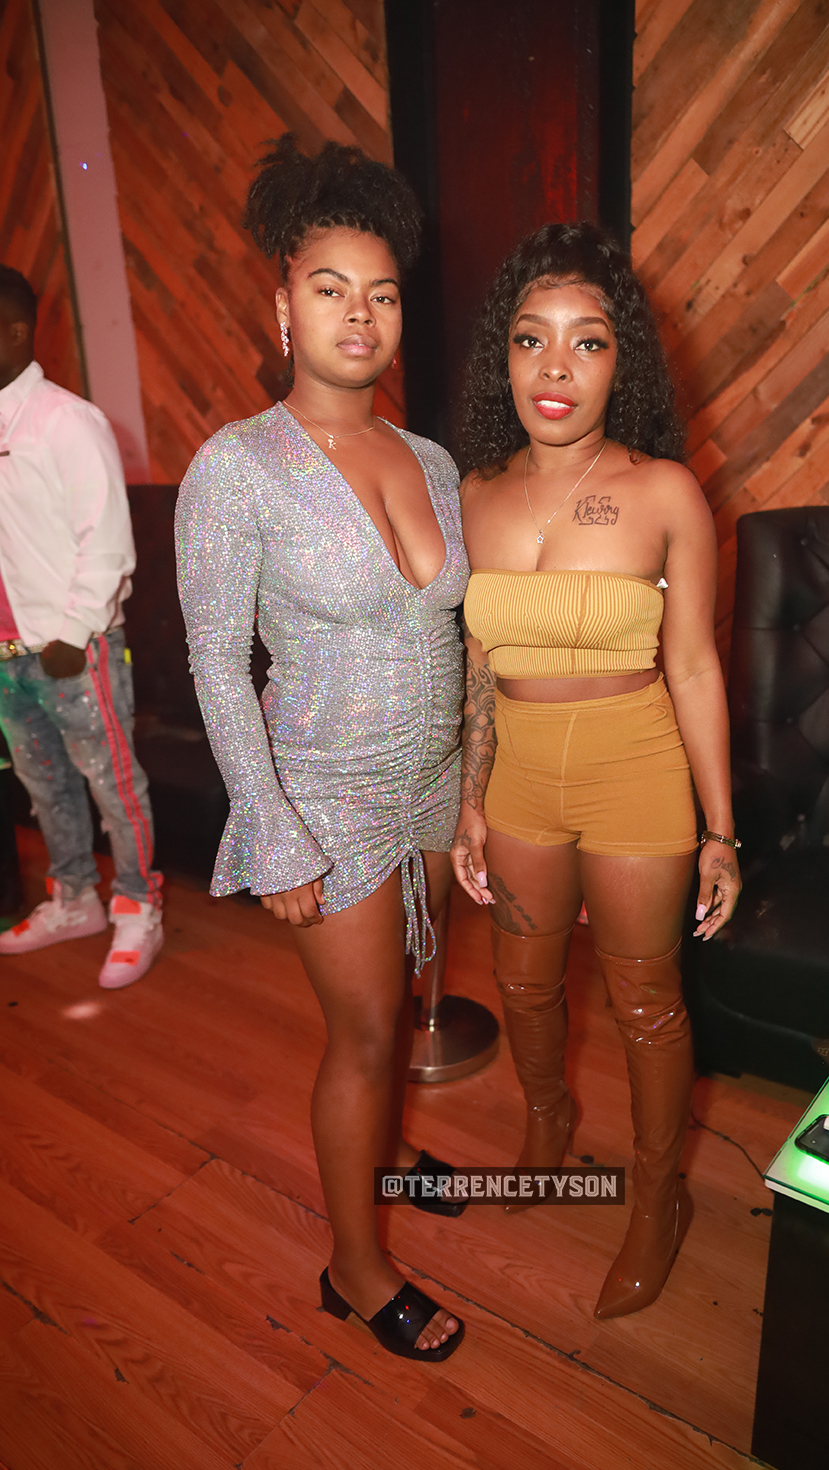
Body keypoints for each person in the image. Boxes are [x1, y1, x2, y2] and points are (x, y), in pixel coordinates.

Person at [175, 138, 466, 1361]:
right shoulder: (237, 466)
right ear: (282, 306)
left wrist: (473, 790)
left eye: (382, 292)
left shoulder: (433, 459)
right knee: (362, 1036)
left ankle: (384, 1157)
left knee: (407, 1000)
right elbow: (214, 662)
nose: (360, 313)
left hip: (432, 786)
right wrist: (274, 829)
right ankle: (355, 1265)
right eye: (332, 287)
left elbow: (460, 638)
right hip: (326, 796)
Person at [451, 223, 741, 1319]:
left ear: (625, 364)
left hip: (636, 772)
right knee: (522, 984)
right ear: (504, 355)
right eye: (532, 339)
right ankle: (548, 1122)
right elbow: (476, 666)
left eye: (589, 342)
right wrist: (470, 803)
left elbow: (696, 666)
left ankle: (658, 1198)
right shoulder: (473, 492)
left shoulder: (664, 491)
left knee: (645, 1005)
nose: (557, 368)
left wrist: (720, 832)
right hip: (519, 778)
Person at [0, 265, 163, 986]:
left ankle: (139, 907)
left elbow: (107, 542)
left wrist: (74, 632)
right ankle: (74, 899)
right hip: (6, 652)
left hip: (73, 647)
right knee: (44, 786)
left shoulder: (66, 420)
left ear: (16, 332)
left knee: (112, 783)